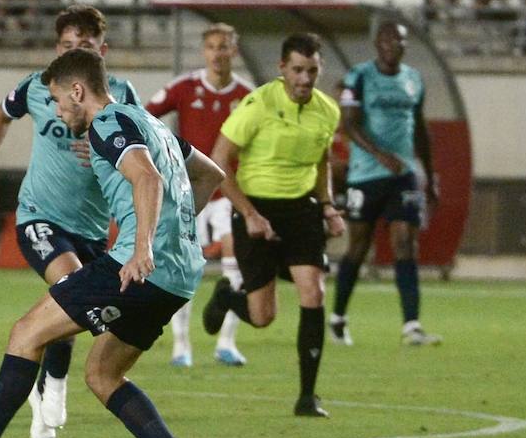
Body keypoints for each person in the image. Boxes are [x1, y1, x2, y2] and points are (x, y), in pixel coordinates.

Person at [0, 48, 225, 438]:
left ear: (78, 91)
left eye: (58, 100)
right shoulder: (149, 121)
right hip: (179, 276)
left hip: (135, 267)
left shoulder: (108, 123)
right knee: (102, 374)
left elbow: (148, 180)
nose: (56, 111)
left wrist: (142, 246)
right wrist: (173, 233)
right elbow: (210, 175)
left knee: (26, 333)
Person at [0, 5, 141, 438]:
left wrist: (108, 150)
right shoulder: (37, 86)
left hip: (92, 228)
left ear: (101, 52)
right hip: (40, 217)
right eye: (66, 46)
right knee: (70, 288)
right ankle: (55, 389)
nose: (73, 53)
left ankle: (46, 382)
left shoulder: (122, 95)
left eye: (83, 47)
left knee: (85, 309)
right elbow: (0, 114)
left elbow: (142, 148)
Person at [202, 32, 344, 417]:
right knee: (263, 317)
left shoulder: (328, 110)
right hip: (256, 208)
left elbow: (322, 163)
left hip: (302, 211)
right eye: (297, 70)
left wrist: (328, 206)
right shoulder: (258, 104)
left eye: (312, 71)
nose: (304, 78)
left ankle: (307, 396)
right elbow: (218, 162)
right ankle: (228, 298)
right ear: (282, 69)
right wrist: (249, 214)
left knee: (312, 293)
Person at [146, 22, 253, 368]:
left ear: (234, 50)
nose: (218, 53)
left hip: (228, 192)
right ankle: (181, 346)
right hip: (189, 191)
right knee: (184, 266)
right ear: (204, 51)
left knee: (237, 263)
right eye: (212, 47)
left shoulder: (248, 95)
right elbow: (146, 118)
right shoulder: (185, 87)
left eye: (225, 47)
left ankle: (226, 342)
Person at [331, 21, 442, 349]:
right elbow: (349, 125)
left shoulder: (414, 79)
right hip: (365, 175)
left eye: (401, 41)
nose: (395, 45)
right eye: (389, 39)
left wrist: (429, 176)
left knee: (406, 243)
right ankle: (337, 317)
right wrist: (381, 155)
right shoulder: (360, 77)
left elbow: (420, 128)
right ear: (378, 43)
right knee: (358, 247)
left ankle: (412, 325)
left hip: (403, 175)